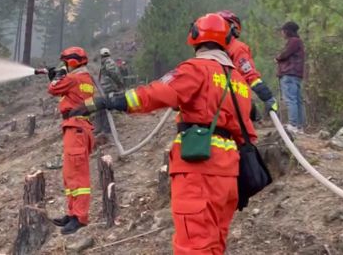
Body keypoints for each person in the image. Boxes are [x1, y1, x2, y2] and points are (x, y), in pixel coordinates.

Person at [70, 13, 259, 254]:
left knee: (192, 247)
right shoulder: (239, 82)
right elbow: (247, 134)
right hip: (229, 176)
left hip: (198, 171)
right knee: (214, 245)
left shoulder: (196, 69)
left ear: (194, 36)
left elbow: (154, 94)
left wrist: (111, 101)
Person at [47, 46, 95, 235]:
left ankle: (79, 217)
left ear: (72, 62)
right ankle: (72, 213)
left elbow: (53, 89)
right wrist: (58, 76)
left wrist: (57, 76)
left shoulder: (74, 78)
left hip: (76, 129)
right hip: (75, 128)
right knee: (70, 173)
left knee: (77, 174)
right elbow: (62, 90)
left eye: (65, 62)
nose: (64, 65)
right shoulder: (84, 78)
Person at [217, 10, 278, 117]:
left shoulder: (206, 50)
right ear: (233, 28)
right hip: (230, 102)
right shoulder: (237, 48)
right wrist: (267, 97)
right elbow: (250, 76)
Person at [276, 21, 306, 134]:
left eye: (283, 31)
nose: (282, 33)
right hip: (296, 74)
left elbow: (284, 54)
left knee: (291, 100)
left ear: (287, 31)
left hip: (289, 73)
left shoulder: (293, 42)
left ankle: (293, 124)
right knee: (297, 100)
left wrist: (277, 58)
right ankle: (299, 126)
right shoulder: (298, 42)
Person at [95, 48, 124, 135]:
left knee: (104, 108)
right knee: (105, 108)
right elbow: (116, 74)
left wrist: (119, 84)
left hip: (106, 89)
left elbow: (113, 74)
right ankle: (103, 128)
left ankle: (104, 129)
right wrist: (120, 84)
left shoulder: (107, 62)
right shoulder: (108, 62)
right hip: (108, 89)